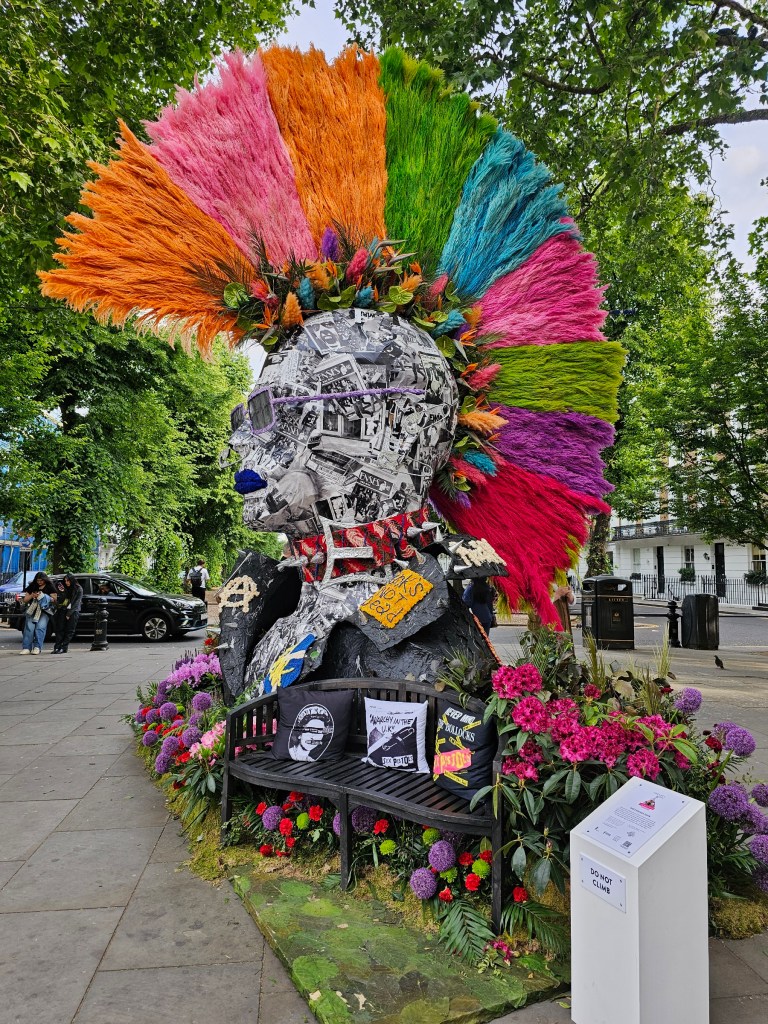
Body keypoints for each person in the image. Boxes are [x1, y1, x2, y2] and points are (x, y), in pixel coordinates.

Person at [19, 572, 56, 655]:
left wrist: (44, 596)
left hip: (44, 610)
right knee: (29, 628)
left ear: (45, 580)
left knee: (40, 628)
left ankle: (37, 647)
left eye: (41, 580)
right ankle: (26, 647)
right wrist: (32, 595)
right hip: (33, 609)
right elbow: (25, 599)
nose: (39, 582)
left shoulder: (50, 586)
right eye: (38, 580)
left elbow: (54, 599)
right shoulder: (33, 586)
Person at [52, 573, 84, 654]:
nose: (66, 582)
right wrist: (62, 592)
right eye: (65, 581)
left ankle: (64, 647)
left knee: (70, 630)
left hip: (73, 611)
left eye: (68, 581)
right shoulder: (64, 587)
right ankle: (57, 646)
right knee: (60, 628)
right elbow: (62, 599)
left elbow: (76, 603)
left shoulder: (78, 589)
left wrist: (69, 614)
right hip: (63, 609)